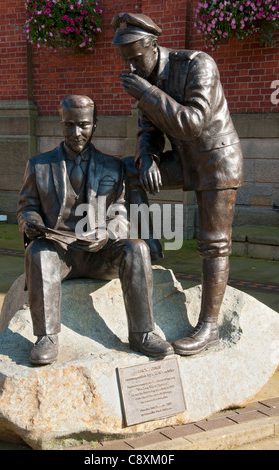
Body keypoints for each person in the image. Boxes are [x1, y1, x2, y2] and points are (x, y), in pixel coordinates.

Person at [112, 13, 244, 356]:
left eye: (136, 58)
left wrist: (147, 93)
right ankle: (149, 245)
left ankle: (209, 327)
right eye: (126, 60)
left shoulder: (197, 65)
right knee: (126, 172)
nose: (132, 66)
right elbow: (148, 132)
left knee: (213, 243)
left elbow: (192, 123)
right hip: (184, 161)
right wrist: (149, 159)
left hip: (216, 161)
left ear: (154, 45)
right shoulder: (144, 78)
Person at [17, 94, 173, 365]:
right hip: (59, 253)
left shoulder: (112, 165)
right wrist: (30, 222)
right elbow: (26, 207)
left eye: (83, 125)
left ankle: (142, 332)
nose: (76, 132)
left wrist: (108, 233)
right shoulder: (39, 165)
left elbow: (122, 211)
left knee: (136, 248)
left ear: (95, 124)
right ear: (61, 123)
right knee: (38, 252)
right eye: (70, 125)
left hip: (100, 254)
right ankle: (46, 337)